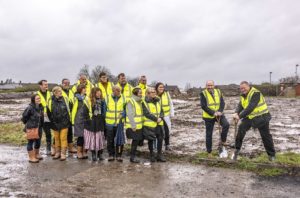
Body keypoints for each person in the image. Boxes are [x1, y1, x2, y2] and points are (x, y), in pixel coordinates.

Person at [232, 81, 276, 161]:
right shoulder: (243, 95)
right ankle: (236, 150)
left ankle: (271, 155)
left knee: (265, 136)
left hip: (262, 117)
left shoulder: (256, 93)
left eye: (244, 88)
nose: (242, 90)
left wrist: (239, 116)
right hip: (250, 117)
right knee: (241, 129)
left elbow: (250, 107)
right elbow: (240, 105)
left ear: (248, 86)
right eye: (241, 88)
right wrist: (236, 112)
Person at [200, 80, 229, 158]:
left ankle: (223, 142)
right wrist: (213, 113)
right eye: (208, 85)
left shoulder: (218, 91)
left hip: (219, 114)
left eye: (211, 85)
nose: (210, 87)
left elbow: (222, 103)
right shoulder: (203, 93)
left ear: (214, 85)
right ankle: (209, 152)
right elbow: (203, 106)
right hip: (208, 116)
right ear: (206, 86)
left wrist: (220, 111)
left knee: (226, 124)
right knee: (209, 134)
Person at [142, 87, 166, 162]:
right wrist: (156, 119)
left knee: (160, 139)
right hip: (150, 124)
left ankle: (159, 155)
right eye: (152, 92)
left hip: (159, 123)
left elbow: (162, 111)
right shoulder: (144, 102)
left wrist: (161, 117)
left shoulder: (158, 100)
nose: (154, 93)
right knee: (151, 140)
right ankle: (152, 155)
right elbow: (146, 113)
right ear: (147, 94)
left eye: (154, 92)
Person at [47, 86, 71, 161]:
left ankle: (63, 154)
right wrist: (52, 121)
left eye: (61, 91)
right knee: (56, 139)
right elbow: (48, 112)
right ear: (55, 93)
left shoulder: (65, 99)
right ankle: (57, 153)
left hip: (64, 122)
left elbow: (70, 109)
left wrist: (68, 120)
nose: (61, 92)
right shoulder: (50, 100)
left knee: (63, 138)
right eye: (59, 91)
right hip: (55, 123)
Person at [84, 87, 106, 161]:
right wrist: (88, 120)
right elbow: (86, 112)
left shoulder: (102, 101)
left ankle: (100, 154)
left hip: (100, 121)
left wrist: (103, 118)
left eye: (100, 92)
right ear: (94, 93)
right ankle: (93, 154)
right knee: (93, 138)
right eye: (97, 93)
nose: (99, 94)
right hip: (92, 121)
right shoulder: (89, 101)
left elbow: (104, 111)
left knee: (100, 138)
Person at [105, 85, 126, 162]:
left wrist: (123, 114)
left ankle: (119, 155)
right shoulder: (107, 98)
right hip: (109, 123)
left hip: (120, 123)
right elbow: (104, 110)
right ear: (113, 91)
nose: (119, 92)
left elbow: (126, 109)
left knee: (119, 140)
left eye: (119, 91)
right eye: (117, 91)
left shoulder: (124, 98)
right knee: (110, 140)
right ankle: (111, 155)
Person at [22, 94, 44, 163]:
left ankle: (36, 154)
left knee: (38, 142)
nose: (39, 100)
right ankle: (31, 157)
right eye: (37, 99)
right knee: (30, 142)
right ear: (33, 100)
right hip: (31, 127)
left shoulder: (40, 106)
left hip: (39, 127)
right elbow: (24, 117)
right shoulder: (30, 107)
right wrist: (28, 124)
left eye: (39, 98)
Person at [72, 85, 92, 159]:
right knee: (80, 137)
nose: (85, 90)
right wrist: (73, 120)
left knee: (86, 137)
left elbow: (90, 108)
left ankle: (85, 151)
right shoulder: (75, 98)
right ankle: (79, 152)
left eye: (85, 88)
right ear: (80, 90)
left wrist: (90, 116)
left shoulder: (87, 98)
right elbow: (73, 110)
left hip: (86, 119)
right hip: (78, 120)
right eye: (84, 88)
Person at [125, 87, 143, 163]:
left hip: (139, 126)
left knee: (136, 142)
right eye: (140, 93)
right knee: (134, 142)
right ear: (136, 94)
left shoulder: (139, 101)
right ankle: (132, 158)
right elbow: (130, 114)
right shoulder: (131, 101)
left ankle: (133, 156)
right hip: (133, 126)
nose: (141, 94)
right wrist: (133, 125)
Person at [156, 82, 175, 151]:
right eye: (160, 87)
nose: (161, 88)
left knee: (167, 131)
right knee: (158, 132)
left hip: (166, 116)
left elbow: (170, 103)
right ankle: (157, 146)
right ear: (157, 88)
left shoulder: (167, 94)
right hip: (158, 117)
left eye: (162, 87)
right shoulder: (154, 95)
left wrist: (172, 113)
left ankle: (167, 145)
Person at [61, 78, 77, 154]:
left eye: (68, 83)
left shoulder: (71, 92)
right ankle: (57, 148)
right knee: (61, 132)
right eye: (65, 83)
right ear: (62, 84)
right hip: (62, 115)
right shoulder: (59, 91)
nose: (67, 84)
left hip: (70, 115)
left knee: (70, 132)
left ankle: (70, 147)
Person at [37, 80, 52, 155]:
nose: (46, 86)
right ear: (40, 86)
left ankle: (48, 149)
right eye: (45, 84)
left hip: (48, 116)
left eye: (47, 84)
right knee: (39, 134)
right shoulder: (37, 94)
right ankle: (37, 151)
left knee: (48, 133)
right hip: (40, 116)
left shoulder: (50, 93)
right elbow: (34, 105)